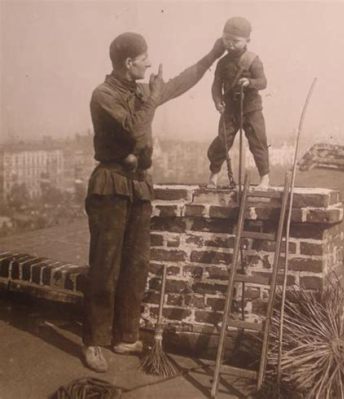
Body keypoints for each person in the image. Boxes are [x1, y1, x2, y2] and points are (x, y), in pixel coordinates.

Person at [82, 32, 225, 372]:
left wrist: (212, 55)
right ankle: (92, 341)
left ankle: (125, 335)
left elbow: (177, 84)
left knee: (135, 265)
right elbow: (134, 127)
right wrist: (153, 97)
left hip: (138, 186)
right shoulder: (103, 95)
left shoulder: (140, 91)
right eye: (144, 58)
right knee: (105, 266)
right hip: (111, 185)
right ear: (128, 63)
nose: (149, 62)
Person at [207, 16, 270, 188]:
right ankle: (213, 175)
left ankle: (265, 178)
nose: (230, 44)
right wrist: (217, 101)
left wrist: (250, 83)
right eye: (226, 39)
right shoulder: (222, 63)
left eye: (235, 41)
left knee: (258, 142)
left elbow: (263, 82)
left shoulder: (253, 60)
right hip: (230, 110)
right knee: (223, 141)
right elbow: (216, 86)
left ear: (247, 40)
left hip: (251, 109)